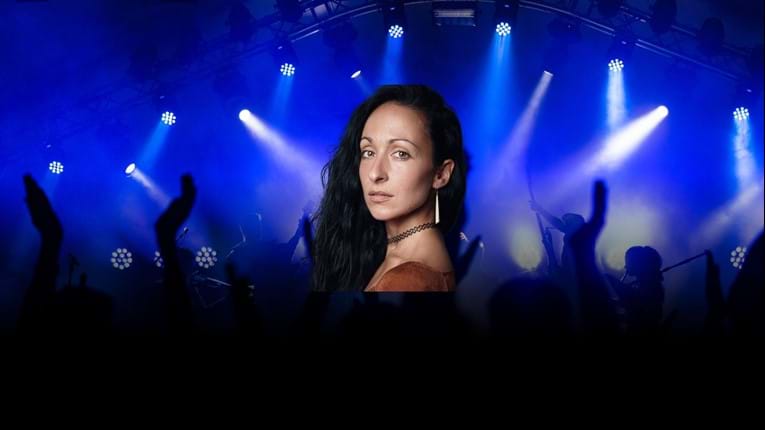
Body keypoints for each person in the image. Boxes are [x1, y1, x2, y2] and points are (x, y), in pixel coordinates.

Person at [311, 85, 468, 292]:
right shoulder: (395, 253)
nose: (375, 173)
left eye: (401, 153)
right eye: (368, 152)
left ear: (441, 174)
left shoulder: (409, 280)